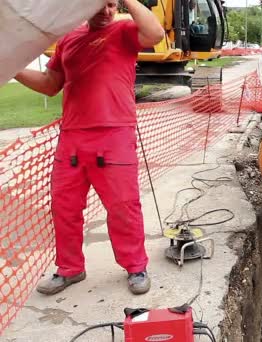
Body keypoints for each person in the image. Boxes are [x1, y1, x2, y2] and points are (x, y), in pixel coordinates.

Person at [14, 0, 165, 295]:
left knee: (123, 207)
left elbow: (156, 34)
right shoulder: (69, 38)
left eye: (111, 4)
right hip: (72, 136)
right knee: (64, 208)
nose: (105, 11)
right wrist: (13, 70)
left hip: (115, 134)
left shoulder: (124, 30)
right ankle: (70, 269)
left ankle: (135, 266)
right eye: (99, 4)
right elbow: (50, 83)